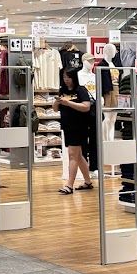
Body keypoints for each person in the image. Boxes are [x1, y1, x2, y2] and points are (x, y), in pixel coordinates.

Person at [56, 67, 93, 195]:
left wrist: (69, 103)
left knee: (72, 154)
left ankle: (69, 185)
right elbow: (56, 109)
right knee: (78, 155)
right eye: (64, 77)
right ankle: (88, 182)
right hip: (68, 127)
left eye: (68, 77)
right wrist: (57, 102)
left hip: (79, 126)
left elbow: (86, 107)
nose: (66, 80)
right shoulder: (63, 90)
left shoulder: (81, 90)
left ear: (74, 77)